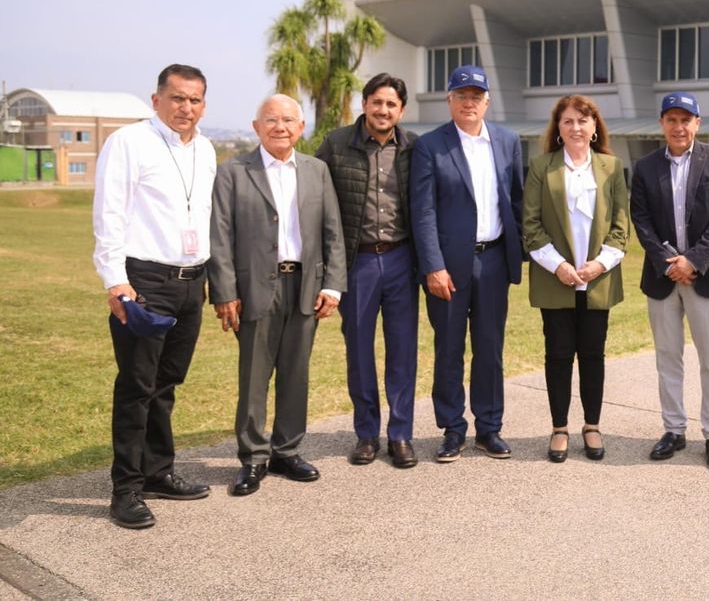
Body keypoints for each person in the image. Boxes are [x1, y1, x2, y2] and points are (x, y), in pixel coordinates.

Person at [93, 64, 217, 529]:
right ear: (157, 99)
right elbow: (109, 213)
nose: (187, 108)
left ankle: (157, 471)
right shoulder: (128, 143)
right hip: (144, 281)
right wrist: (116, 281)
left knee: (166, 384)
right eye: (178, 98)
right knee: (136, 387)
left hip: (191, 282)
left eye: (196, 100)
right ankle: (125, 489)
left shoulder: (205, 149)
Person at [209, 94, 347, 496]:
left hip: (305, 285)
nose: (280, 127)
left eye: (288, 120)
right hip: (254, 288)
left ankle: (287, 450)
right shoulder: (233, 171)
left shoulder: (317, 170)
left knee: (296, 373)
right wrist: (224, 291)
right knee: (253, 376)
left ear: (300, 128)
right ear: (256, 127)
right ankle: (253, 458)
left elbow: (332, 232)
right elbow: (220, 235)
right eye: (271, 120)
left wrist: (333, 285)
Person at [410, 65, 525, 462]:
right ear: (450, 100)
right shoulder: (430, 146)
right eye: (462, 95)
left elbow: (517, 201)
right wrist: (433, 266)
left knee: (490, 348)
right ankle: (452, 428)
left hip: (493, 259)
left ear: (487, 101)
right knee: (449, 348)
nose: (469, 102)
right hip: (448, 267)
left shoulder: (508, 142)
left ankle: (489, 428)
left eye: (476, 96)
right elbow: (422, 212)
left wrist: (518, 255)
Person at [629, 92, 709, 468]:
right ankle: (674, 429)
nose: (679, 127)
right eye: (672, 119)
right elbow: (641, 220)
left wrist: (692, 261)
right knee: (667, 357)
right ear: (662, 123)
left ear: (698, 123)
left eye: (686, 119)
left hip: (706, 276)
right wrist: (669, 263)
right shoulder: (645, 167)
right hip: (663, 277)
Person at [316, 73, 420, 468]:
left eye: (391, 104)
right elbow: (316, 201)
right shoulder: (336, 145)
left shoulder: (414, 148)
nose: (383, 110)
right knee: (359, 349)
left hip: (400, 259)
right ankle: (365, 434)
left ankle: (401, 434)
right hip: (356, 261)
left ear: (401, 110)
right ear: (364, 104)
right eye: (377, 102)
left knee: (402, 351)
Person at [523, 94, 629, 463]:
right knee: (558, 355)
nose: (576, 128)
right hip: (557, 279)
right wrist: (558, 266)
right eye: (568, 121)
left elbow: (620, 226)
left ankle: (592, 425)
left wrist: (599, 264)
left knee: (593, 355)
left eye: (583, 121)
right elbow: (531, 226)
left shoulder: (612, 168)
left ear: (595, 127)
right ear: (558, 128)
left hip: (598, 279)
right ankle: (558, 428)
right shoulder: (541, 167)